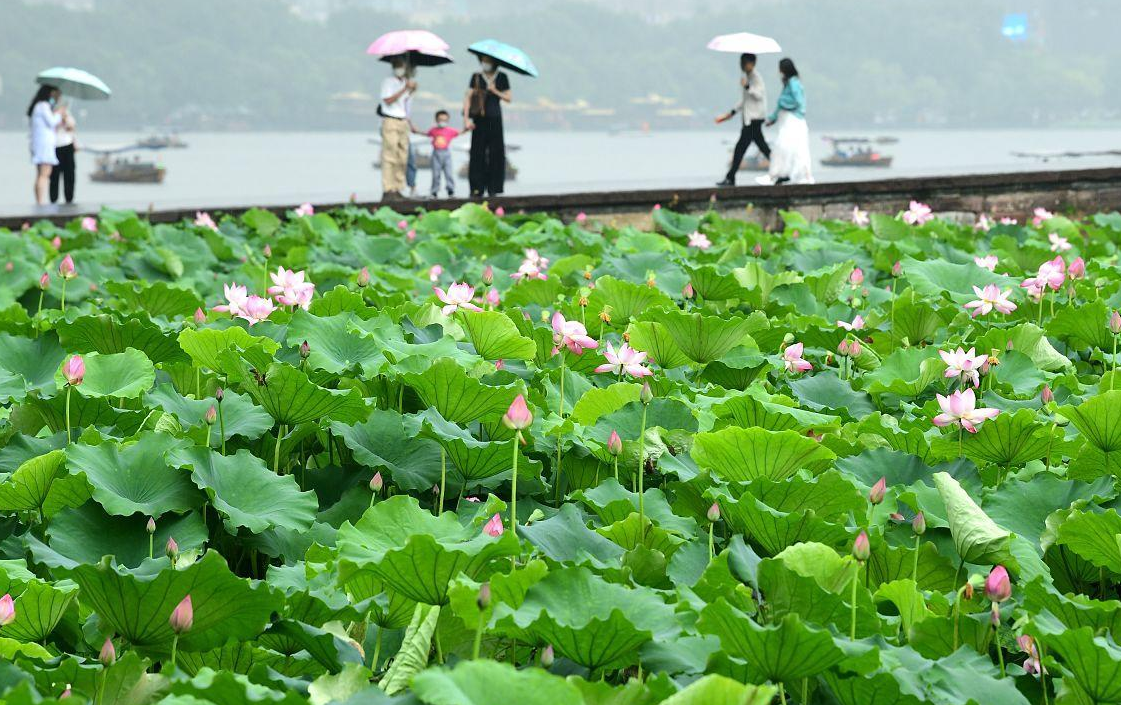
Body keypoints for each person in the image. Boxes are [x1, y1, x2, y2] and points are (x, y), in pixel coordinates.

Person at [715, 53, 769, 186]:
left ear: (752, 63)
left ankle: (730, 177)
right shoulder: (748, 77)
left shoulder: (756, 77)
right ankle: (781, 172)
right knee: (762, 147)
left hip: (754, 119)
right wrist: (731, 112)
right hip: (750, 119)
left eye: (745, 62)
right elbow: (745, 100)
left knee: (740, 148)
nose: (742, 65)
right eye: (741, 62)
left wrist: (747, 86)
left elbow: (759, 95)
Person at [757, 58, 813, 186]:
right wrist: (773, 118)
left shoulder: (794, 83)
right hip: (786, 120)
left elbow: (799, 102)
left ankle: (787, 174)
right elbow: (780, 106)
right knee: (785, 147)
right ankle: (782, 174)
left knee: (786, 147)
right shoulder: (789, 84)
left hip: (792, 120)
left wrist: (786, 106)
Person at [463, 56, 511, 198]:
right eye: (484, 60)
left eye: (488, 61)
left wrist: (495, 90)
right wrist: (466, 119)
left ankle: (494, 188)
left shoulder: (502, 77)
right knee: (477, 153)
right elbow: (468, 97)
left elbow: (509, 98)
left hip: (495, 118)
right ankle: (476, 188)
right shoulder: (476, 77)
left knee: (496, 153)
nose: (486, 64)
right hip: (479, 119)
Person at [379, 57, 416, 200]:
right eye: (398, 66)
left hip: (403, 121)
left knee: (402, 156)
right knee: (390, 154)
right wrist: (404, 90)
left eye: (402, 66)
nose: (400, 69)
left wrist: (411, 90)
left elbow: (406, 103)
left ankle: (398, 188)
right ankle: (388, 189)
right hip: (390, 120)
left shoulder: (406, 82)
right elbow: (387, 100)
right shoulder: (388, 82)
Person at [414, 109, 469, 198]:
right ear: (436, 120)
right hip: (436, 154)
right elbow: (426, 134)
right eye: (440, 120)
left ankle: (450, 190)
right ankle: (434, 191)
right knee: (436, 174)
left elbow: (460, 133)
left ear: (447, 120)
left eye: (445, 120)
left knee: (449, 173)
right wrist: (416, 131)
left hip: (446, 154)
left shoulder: (450, 130)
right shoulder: (433, 130)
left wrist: (467, 129)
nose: (442, 122)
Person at [28, 84, 63, 205]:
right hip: (43, 144)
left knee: (41, 174)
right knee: (44, 174)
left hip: (40, 143)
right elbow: (52, 122)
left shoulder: (39, 106)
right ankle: (40, 202)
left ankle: (40, 201)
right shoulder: (43, 106)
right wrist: (59, 113)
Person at [51, 101, 78, 204]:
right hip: (55, 146)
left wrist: (65, 117)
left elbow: (71, 127)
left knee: (69, 174)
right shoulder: (51, 116)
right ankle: (53, 199)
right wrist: (57, 116)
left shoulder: (68, 116)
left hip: (68, 146)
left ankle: (69, 198)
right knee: (54, 175)